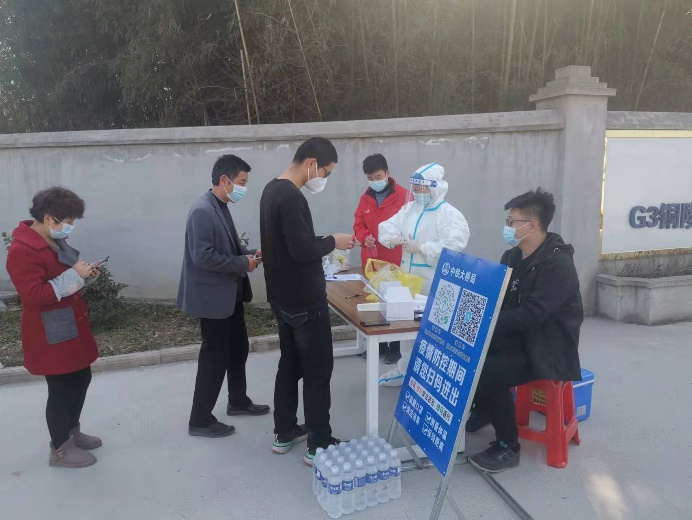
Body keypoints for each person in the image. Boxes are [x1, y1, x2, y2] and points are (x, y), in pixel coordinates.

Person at [468, 188, 583, 473]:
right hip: (519, 336)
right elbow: (499, 299)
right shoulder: (512, 256)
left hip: (547, 346)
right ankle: (486, 407)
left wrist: (488, 321)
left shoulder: (558, 265)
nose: (507, 228)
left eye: (512, 222)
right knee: (470, 350)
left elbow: (534, 315)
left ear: (533, 225)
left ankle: (508, 447)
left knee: (489, 370)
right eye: (507, 221)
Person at [260, 137, 356, 465]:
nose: (324, 179)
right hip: (304, 301)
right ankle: (319, 443)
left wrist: (322, 241)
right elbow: (302, 250)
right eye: (326, 173)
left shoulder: (271, 190)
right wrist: (333, 241)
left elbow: (290, 243)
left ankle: (284, 431)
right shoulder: (291, 197)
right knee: (317, 371)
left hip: (282, 298)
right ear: (311, 163)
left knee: (289, 365)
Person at [6, 187, 103, 468]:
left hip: (71, 326)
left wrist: (86, 275)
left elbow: (67, 278)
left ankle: (72, 432)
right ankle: (60, 449)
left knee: (81, 378)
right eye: (68, 222)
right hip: (51, 333)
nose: (70, 227)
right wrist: (75, 275)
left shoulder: (54, 239)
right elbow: (34, 296)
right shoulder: (22, 251)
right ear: (50, 218)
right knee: (61, 389)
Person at [177, 154, 269, 439]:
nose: (244, 188)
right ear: (224, 180)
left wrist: (250, 253)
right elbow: (203, 256)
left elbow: (227, 248)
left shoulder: (220, 206)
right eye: (241, 182)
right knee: (214, 357)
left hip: (231, 296)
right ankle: (200, 419)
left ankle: (238, 400)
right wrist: (243, 264)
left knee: (238, 349)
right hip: (213, 300)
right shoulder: (202, 211)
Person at [378, 163, 470, 386]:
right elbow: (387, 226)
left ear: (436, 187)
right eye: (416, 187)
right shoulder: (410, 209)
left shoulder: (448, 214)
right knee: (407, 328)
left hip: (433, 282)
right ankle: (405, 371)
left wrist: (422, 248)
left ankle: (430, 377)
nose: (418, 191)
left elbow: (455, 245)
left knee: (433, 332)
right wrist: (393, 237)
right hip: (408, 281)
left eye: (423, 187)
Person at [353, 153, 408, 364]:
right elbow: (358, 224)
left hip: (396, 260)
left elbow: (411, 225)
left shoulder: (404, 196)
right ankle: (378, 345)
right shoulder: (365, 198)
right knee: (375, 302)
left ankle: (396, 348)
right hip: (372, 261)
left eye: (378, 177)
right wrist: (364, 236)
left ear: (387, 173)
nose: (375, 182)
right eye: (370, 178)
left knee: (396, 305)